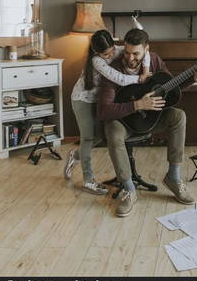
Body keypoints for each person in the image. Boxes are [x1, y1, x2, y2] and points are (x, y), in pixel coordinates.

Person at [97, 29, 197, 216]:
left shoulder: (155, 61)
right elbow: (104, 110)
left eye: (136, 53)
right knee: (112, 130)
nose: (130, 57)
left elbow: (170, 88)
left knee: (178, 116)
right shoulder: (113, 69)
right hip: (122, 122)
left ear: (146, 50)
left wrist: (196, 76)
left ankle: (173, 178)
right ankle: (129, 189)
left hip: (150, 119)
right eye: (127, 52)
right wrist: (137, 104)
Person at [64, 29, 151, 195]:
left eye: (112, 51)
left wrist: (146, 70)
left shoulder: (118, 49)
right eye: (106, 54)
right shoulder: (97, 61)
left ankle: (75, 156)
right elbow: (120, 79)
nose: (110, 55)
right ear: (97, 52)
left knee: (100, 136)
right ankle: (88, 180)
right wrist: (142, 80)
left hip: (99, 99)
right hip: (82, 99)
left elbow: (146, 52)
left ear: (113, 45)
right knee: (88, 138)